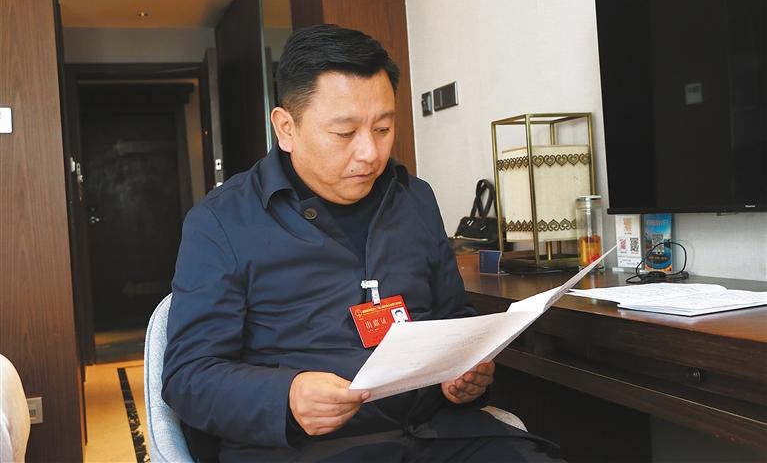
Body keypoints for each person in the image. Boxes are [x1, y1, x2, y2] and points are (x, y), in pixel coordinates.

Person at [162, 24, 563, 462]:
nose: (370, 153)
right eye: (344, 133)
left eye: (383, 128)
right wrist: (287, 396)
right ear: (286, 128)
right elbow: (189, 377)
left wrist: (465, 372)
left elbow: (454, 317)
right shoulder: (221, 222)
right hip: (306, 450)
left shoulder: (414, 199)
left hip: (433, 434)